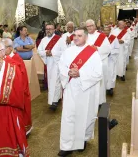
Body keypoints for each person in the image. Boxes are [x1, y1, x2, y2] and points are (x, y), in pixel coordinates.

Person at [58, 27, 102, 157]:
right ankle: (66, 145)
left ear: (86, 37)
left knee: (84, 115)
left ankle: (81, 141)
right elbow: (61, 66)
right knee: (68, 116)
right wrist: (68, 72)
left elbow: (98, 73)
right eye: (75, 35)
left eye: (80, 35)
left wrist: (80, 73)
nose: (76, 37)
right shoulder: (68, 51)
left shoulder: (93, 53)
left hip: (86, 89)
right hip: (71, 87)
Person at [2, 38, 32, 135]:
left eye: (4, 48)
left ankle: (24, 130)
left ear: (10, 48)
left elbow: (21, 77)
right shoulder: (4, 58)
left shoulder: (16, 59)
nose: (2, 50)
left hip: (19, 90)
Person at [37, 23, 66, 110]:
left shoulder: (59, 40)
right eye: (47, 29)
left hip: (57, 64)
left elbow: (64, 51)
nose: (48, 30)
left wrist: (53, 53)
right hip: (49, 64)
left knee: (56, 82)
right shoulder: (43, 40)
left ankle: (54, 102)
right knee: (51, 82)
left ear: (54, 30)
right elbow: (39, 51)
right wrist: (46, 53)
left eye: (50, 29)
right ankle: (55, 99)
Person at [85, 19, 111, 104]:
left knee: (100, 83)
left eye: (91, 25)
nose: (89, 27)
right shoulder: (84, 37)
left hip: (100, 62)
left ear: (95, 26)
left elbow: (108, 49)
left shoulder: (102, 36)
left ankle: (100, 101)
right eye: (88, 26)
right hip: (88, 64)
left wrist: (97, 49)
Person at [104, 26, 120, 96]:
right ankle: (104, 87)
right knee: (104, 74)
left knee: (111, 74)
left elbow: (117, 49)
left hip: (111, 59)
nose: (106, 32)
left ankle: (110, 88)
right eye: (104, 30)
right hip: (103, 60)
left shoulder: (114, 38)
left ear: (110, 30)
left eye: (107, 30)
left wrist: (110, 52)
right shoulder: (101, 38)